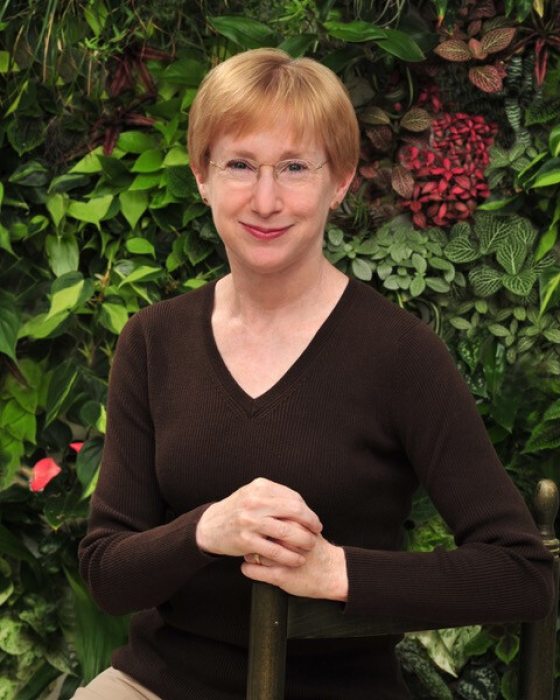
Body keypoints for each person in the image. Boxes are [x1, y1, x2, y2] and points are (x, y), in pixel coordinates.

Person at [75, 48, 554, 699]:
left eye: (295, 167)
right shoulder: (153, 341)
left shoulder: (400, 354)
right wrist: (207, 529)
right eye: (240, 165)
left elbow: (522, 575)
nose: (266, 200)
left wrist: (338, 572)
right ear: (202, 177)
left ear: (341, 181)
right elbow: (108, 574)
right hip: (158, 685)